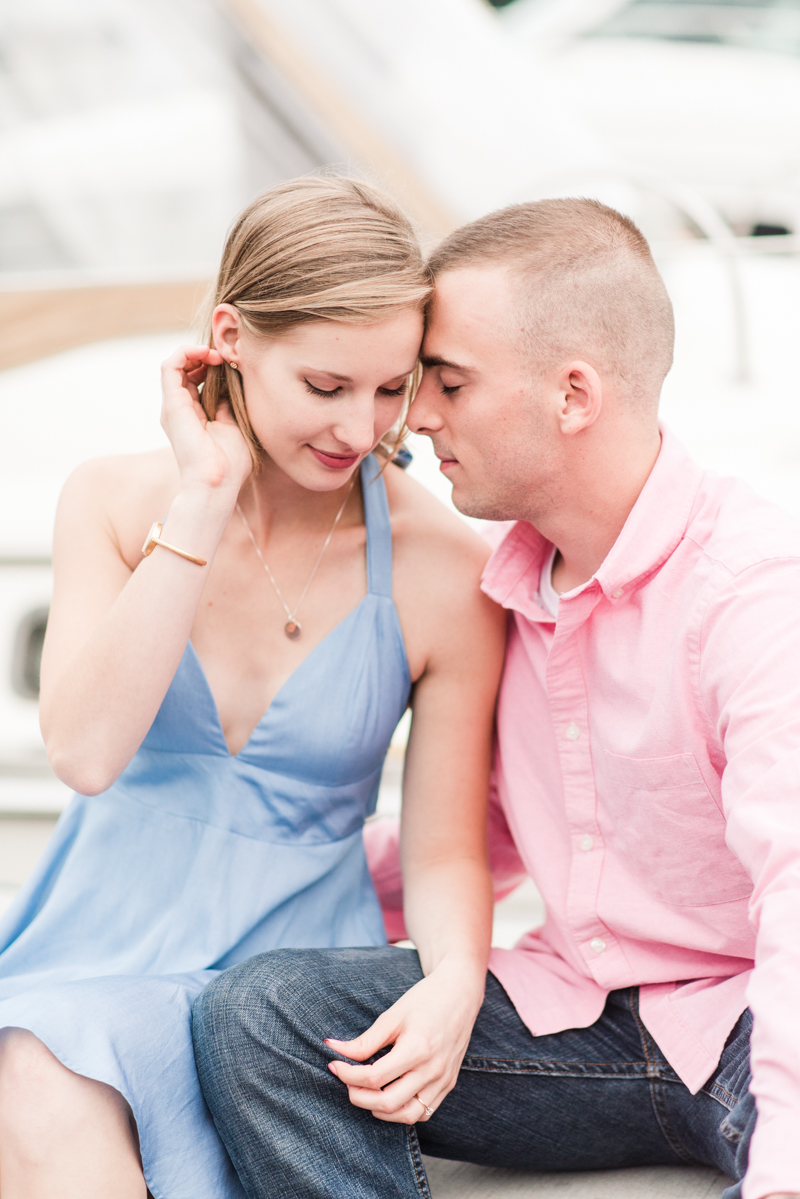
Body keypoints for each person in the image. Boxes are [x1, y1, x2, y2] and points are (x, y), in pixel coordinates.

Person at [192, 197, 800, 1199]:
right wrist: (241, 896)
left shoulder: (751, 592)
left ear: (570, 394)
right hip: (574, 1013)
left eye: (447, 381)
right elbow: (470, 834)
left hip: (744, 1015)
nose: (411, 416)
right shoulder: (503, 588)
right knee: (262, 1013)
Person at [0, 177, 505, 1199]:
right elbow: (86, 752)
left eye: (388, 390)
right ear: (230, 334)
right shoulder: (111, 498)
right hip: (95, 945)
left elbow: (443, 840)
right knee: (42, 1083)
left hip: (288, 976)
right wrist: (200, 500)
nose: (360, 427)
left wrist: (453, 980)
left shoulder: (441, 566)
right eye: (325, 386)